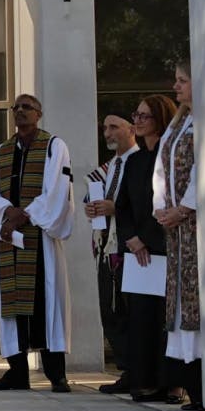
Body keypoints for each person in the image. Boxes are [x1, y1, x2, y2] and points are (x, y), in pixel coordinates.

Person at [0, 94, 75, 393]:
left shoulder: (54, 147)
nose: (19, 111)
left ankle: (57, 375)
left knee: (47, 304)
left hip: (40, 239)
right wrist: (7, 213)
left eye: (26, 107)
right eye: (15, 108)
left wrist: (24, 215)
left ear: (39, 113)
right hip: (12, 241)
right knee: (12, 306)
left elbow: (57, 192)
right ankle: (17, 373)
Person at [115, 95, 178, 403]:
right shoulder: (135, 161)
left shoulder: (169, 157)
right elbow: (122, 206)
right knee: (140, 318)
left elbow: (169, 203)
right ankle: (144, 381)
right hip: (138, 253)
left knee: (165, 320)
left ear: (160, 120)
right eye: (136, 115)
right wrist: (133, 238)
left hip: (164, 249)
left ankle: (170, 382)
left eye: (144, 117)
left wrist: (151, 239)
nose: (137, 121)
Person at [153, 60, 204, 411]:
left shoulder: (204, 121)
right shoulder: (177, 124)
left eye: (183, 81)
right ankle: (191, 381)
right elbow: (161, 168)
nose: (177, 88)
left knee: (197, 299)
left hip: (197, 226)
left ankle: (204, 384)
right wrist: (160, 206)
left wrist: (185, 207)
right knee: (180, 303)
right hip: (176, 230)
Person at [85, 115, 138, 394]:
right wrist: (92, 209)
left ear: (131, 129)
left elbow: (143, 203)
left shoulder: (140, 162)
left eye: (114, 127)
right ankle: (128, 371)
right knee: (111, 312)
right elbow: (95, 202)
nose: (108, 132)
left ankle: (140, 372)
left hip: (133, 248)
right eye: (105, 128)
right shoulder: (109, 167)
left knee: (131, 313)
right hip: (107, 248)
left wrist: (113, 208)